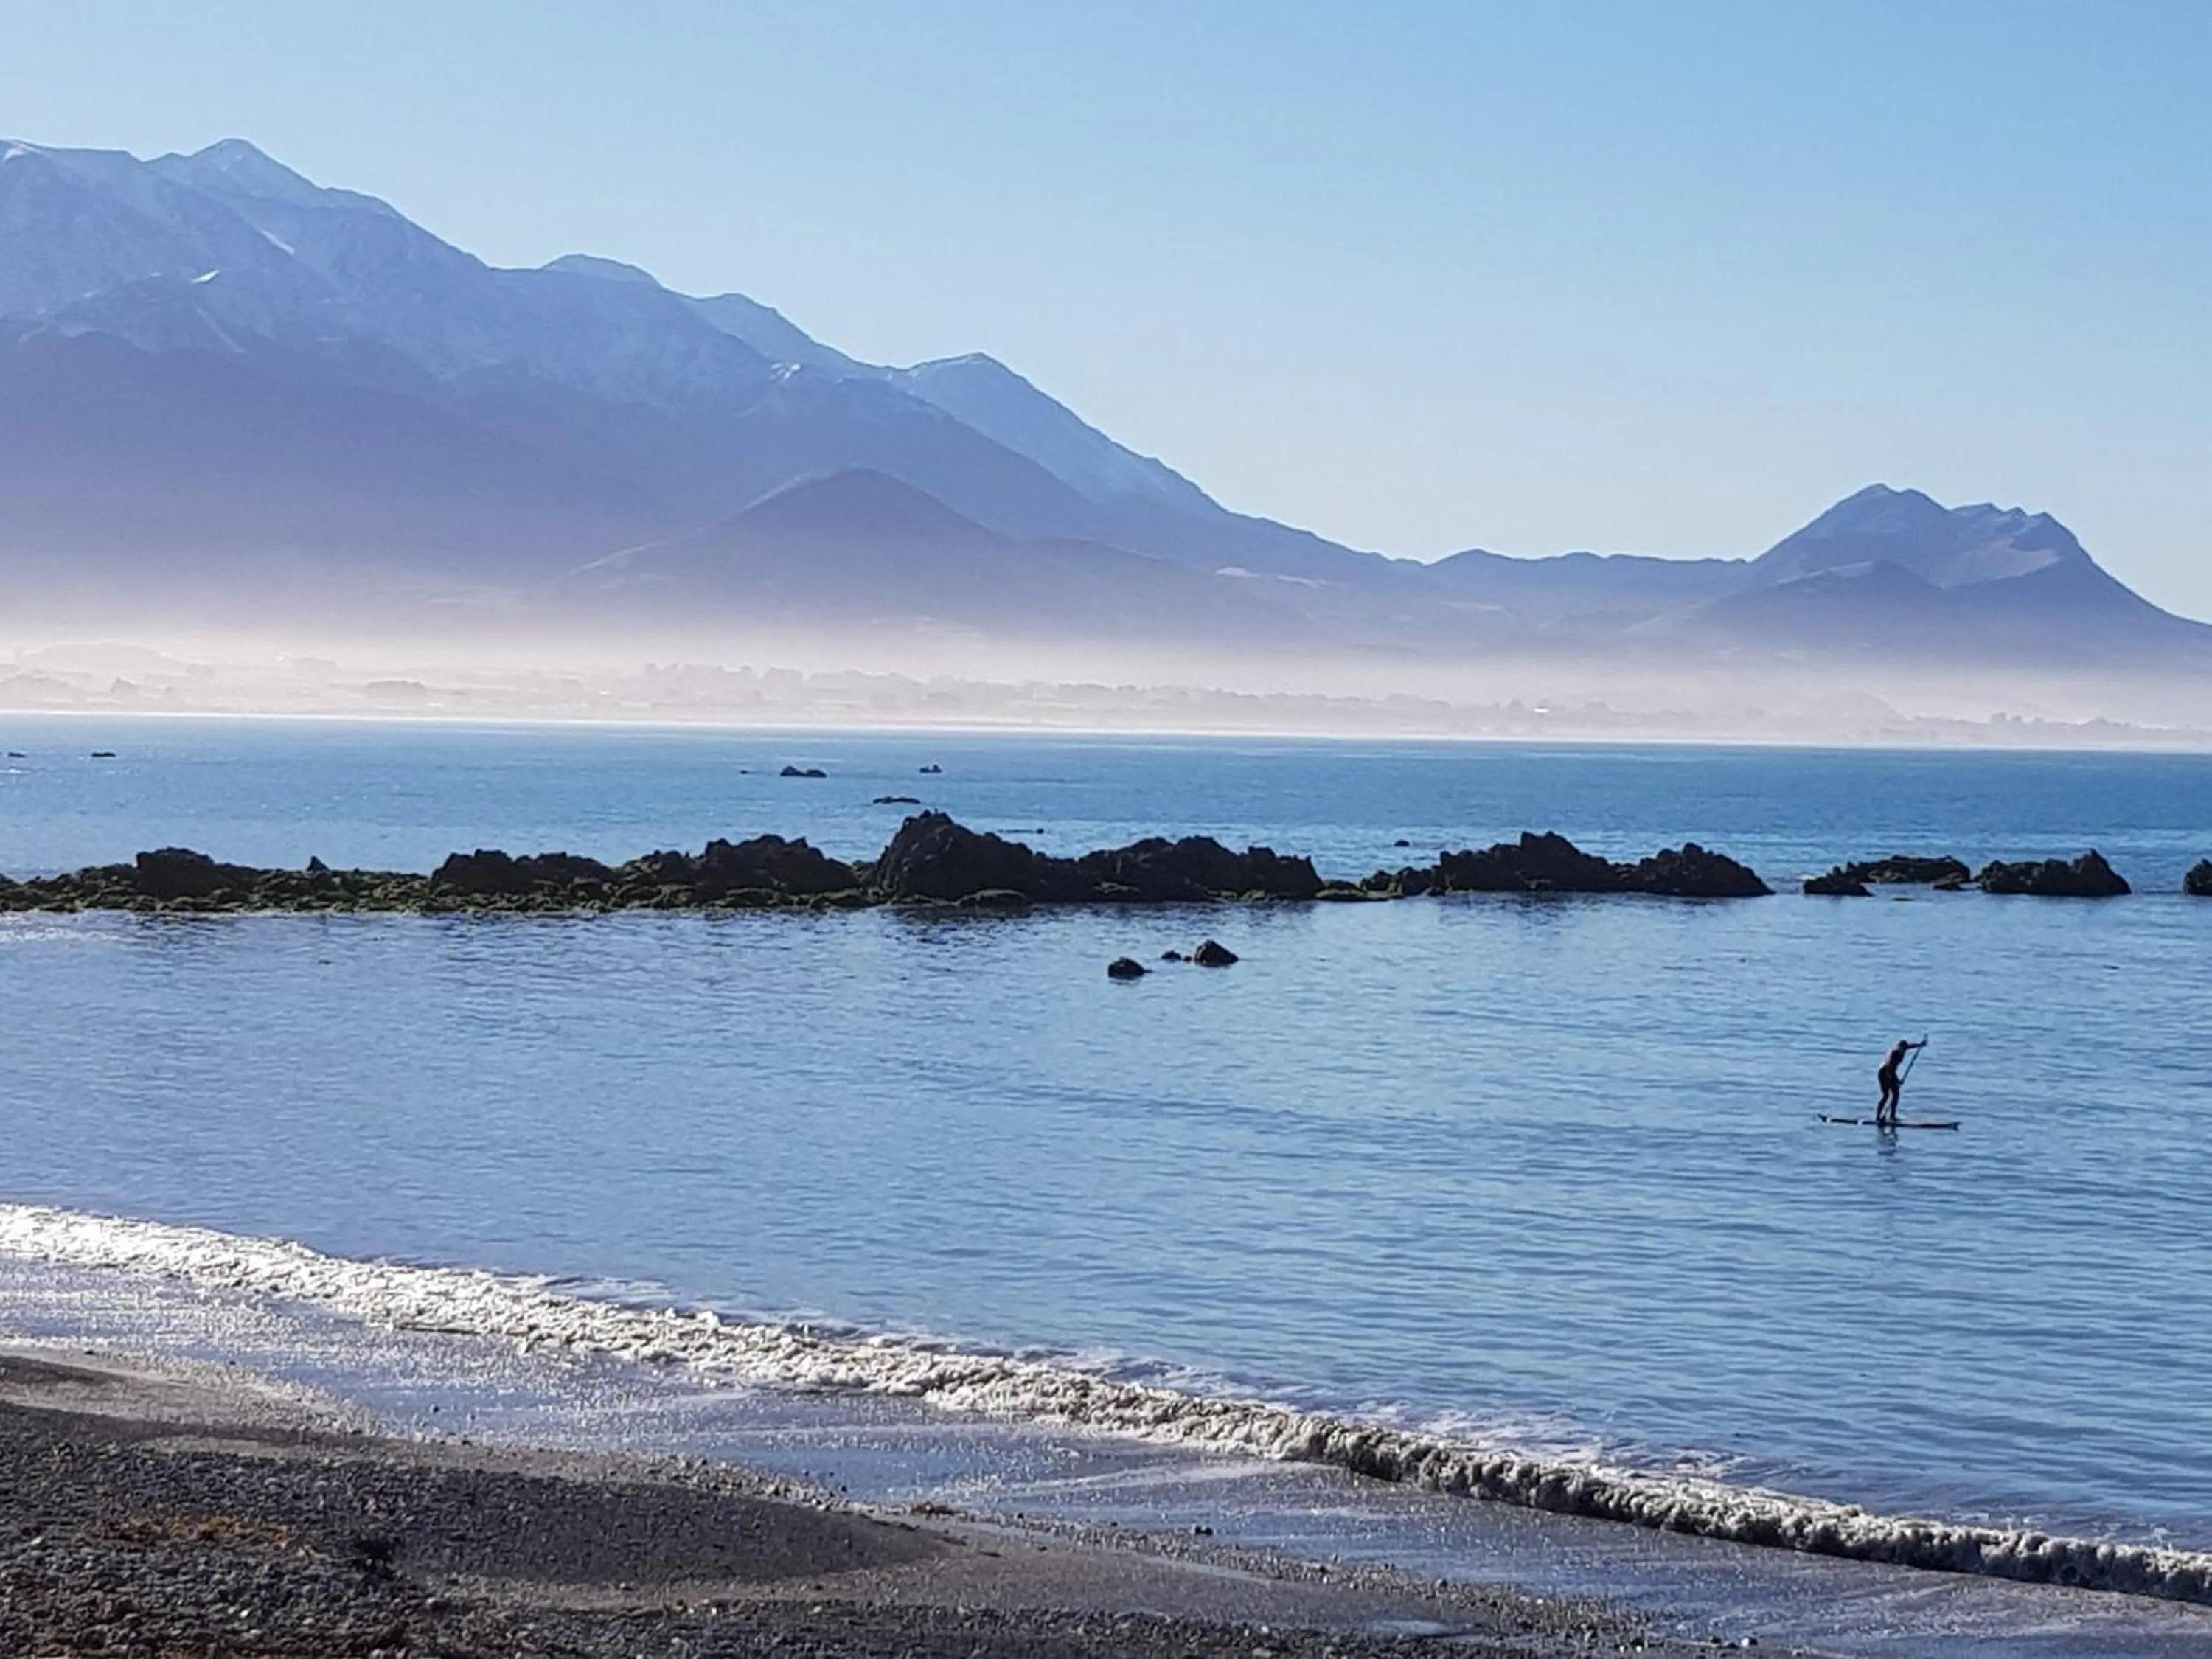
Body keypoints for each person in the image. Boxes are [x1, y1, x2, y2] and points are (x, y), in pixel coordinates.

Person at [1875, 1037, 1926, 1127]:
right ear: (1899, 1048)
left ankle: (1892, 1116)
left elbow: (1910, 1046)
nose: (1903, 1051)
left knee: (1896, 1094)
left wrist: (1920, 1045)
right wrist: (1897, 1081)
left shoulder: (1904, 1048)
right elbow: (1889, 1070)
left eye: (1904, 1049)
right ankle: (1878, 1117)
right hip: (1884, 1073)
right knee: (1886, 1095)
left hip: (1891, 1072)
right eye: (1902, 1049)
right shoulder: (1894, 1054)